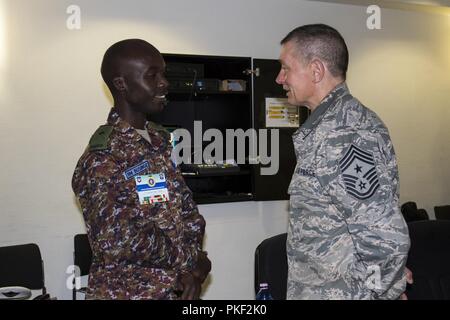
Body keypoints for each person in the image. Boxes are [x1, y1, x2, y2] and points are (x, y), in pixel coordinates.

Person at [276, 24, 410, 299]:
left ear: (316, 70)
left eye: (286, 68)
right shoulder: (327, 127)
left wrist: (381, 293)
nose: (280, 78)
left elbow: (384, 239)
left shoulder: (346, 133)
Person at [72, 39, 211, 300]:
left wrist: (191, 270)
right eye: (152, 76)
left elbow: (187, 211)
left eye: (163, 73)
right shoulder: (103, 156)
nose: (164, 83)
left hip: (175, 289)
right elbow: (121, 237)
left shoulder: (158, 141)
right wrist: (191, 262)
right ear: (121, 85)